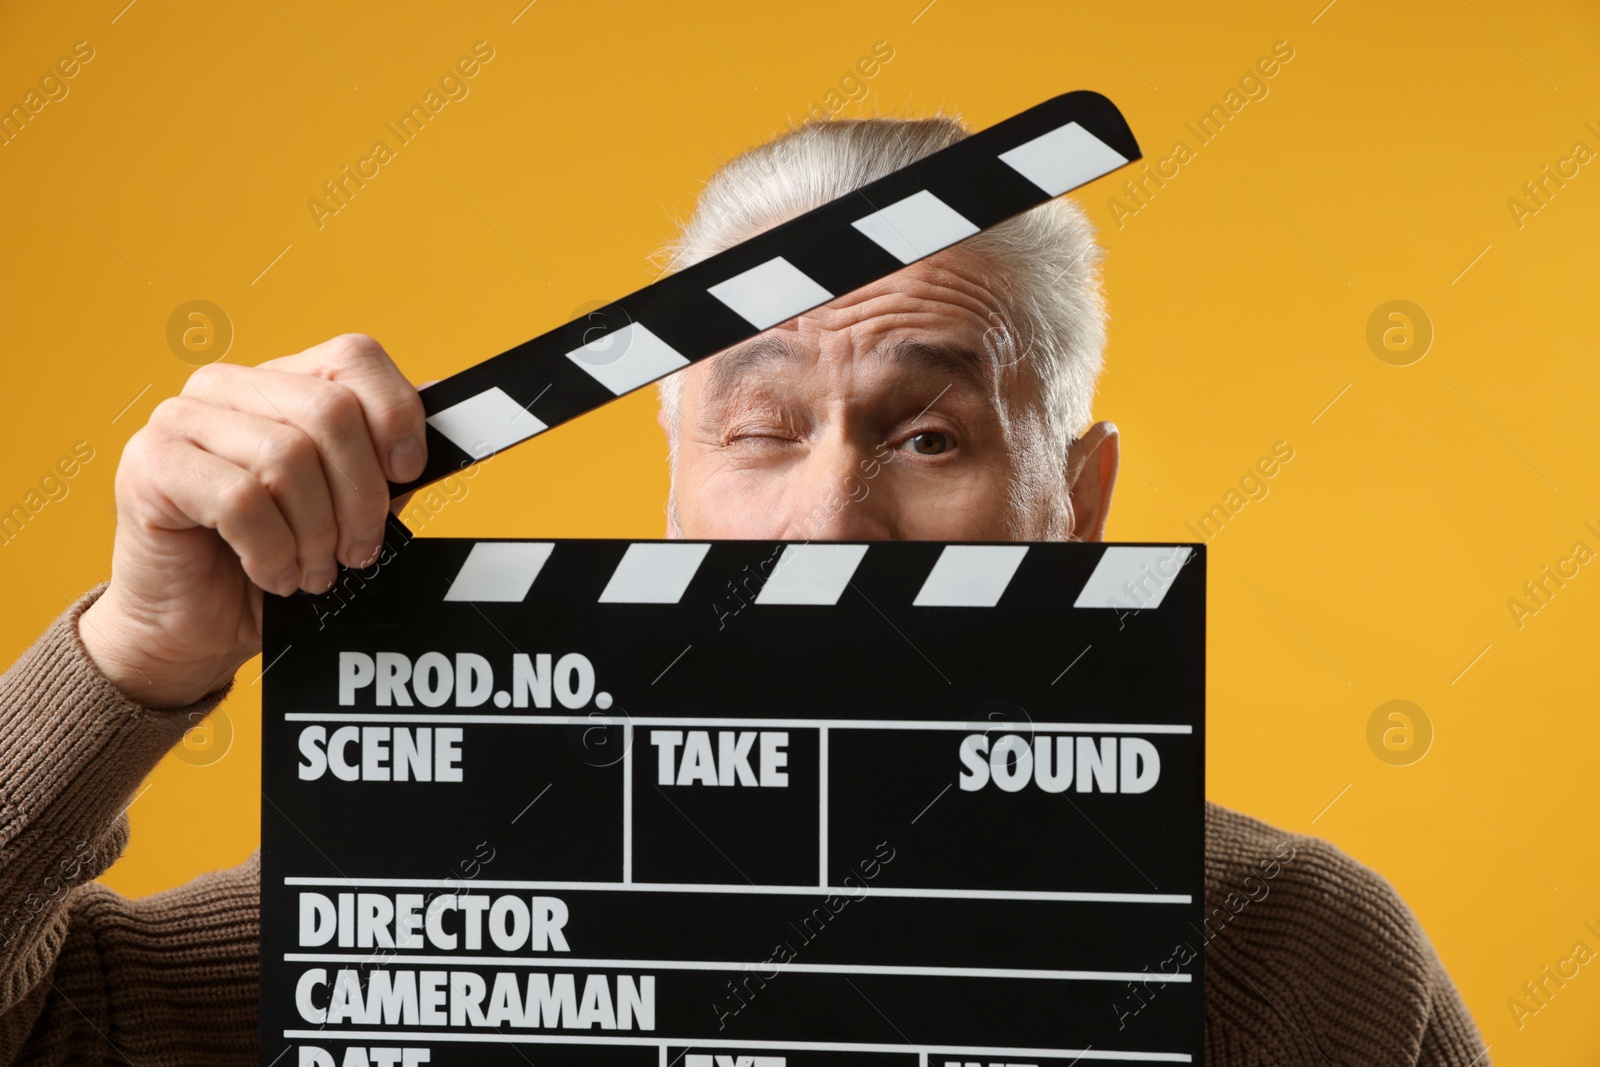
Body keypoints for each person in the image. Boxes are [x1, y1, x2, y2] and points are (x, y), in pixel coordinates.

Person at [0, 116, 1488, 1066]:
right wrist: (132, 655)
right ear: (673, 491)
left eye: (928, 436)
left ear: (1077, 505)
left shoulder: (1300, 957)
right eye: (761, 432)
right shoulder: (393, 929)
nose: (830, 524)